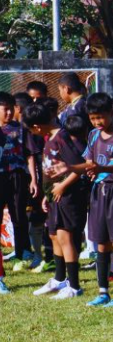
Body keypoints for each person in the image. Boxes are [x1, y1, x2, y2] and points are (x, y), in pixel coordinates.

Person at [60, 93, 113, 307]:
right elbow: (88, 162)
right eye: (93, 118)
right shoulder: (93, 135)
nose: (97, 122)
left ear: (111, 113)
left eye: (100, 117)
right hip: (98, 191)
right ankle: (103, 291)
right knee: (101, 242)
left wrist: (100, 168)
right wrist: (68, 168)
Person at [27, 105, 91, 299]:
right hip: (54, 197)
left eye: (31, 130)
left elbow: (79, 167)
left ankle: (74, 286)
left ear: (37, 127)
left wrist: (62, 186)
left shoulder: (62, 139)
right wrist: (47, 195)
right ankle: (59, 278)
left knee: (65, 237)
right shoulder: (50, 139)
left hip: (68, 196)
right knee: (54, 235)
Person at [0, 92, 36, 266]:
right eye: (5, 109)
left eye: (11, 109)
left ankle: (24, 250)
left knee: (19, 214)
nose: (9, 113)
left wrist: (34, 179)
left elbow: (30, 155)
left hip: (17, 176)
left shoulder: (21, 129)